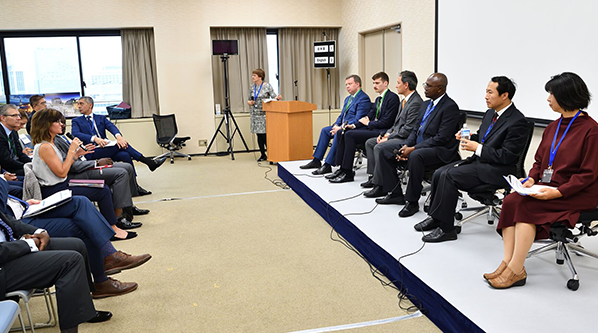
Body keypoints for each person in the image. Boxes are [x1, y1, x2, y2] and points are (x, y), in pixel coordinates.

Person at [487, 72, 598, 289]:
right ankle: (508, 263)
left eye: (552, 94)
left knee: (527, 206)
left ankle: (516, 270)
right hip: (548, 187)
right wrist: (530, 179)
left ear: (566, 96)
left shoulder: (591, 131)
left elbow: (588, 174)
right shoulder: (552, 127)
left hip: (578, 193)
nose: (548, 99)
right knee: (510, 201)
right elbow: (539, 161)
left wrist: (557, 192)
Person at [413, 76, 528, 243]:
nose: (486, 96)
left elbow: (507, 156)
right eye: (486, 92)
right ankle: (436, 218)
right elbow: (482, 137)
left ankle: (447, 229)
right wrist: (467, 137)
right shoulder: (491, 114)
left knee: (449, 176)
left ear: (505, 95)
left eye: (490, 92)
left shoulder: (517, 121)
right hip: (481, 163)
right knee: (439, 172)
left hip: (498, 170)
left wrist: (477, 148)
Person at [0, 176, 151, 299]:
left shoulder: (58, 143)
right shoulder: (43, 147)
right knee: (81, 225)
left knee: (81, 202)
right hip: (19, 223)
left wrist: (23, 203)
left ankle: (109, 257)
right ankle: (103, 275)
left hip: (24, 209)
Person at [30, 109, 137, 241]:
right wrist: (71, 151)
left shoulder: (50, 143)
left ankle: (111, 227)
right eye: (57, 122)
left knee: (102, 188)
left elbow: (62, 167)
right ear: (46, 125)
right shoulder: (44, 147)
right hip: (55, 189)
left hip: (62, 184)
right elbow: (62, 172)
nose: (61, 124)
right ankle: (112, 229)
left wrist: (76, 154)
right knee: (102, 191)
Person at [0, 213, 112, 333]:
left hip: (11, 249)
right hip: (4, 266)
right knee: (71, 261)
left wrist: (39, 232)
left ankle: (84, 309)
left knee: (77, 245)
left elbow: (8, 221)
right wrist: (29, 244)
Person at [374, 73, 460, 215]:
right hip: (419, 146)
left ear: (440, 89)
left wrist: (413, 149)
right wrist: (405, 146)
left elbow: (441, 138)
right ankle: (395, 193)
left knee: (416, 156)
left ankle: (412, 202)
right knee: (384, 151)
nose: (425, 88)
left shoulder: (450, 107)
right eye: (425, 85)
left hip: (439, 150)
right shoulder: (426, 104)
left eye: (429, 86)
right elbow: (415, 130)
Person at [54, 113, 149, 222]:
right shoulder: (52, 143)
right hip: (81, 170)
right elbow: (71, 166)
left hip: (85, 160)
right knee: (121, 171)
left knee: (127, 164)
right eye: (58, 122)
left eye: (62, 122)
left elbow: (72, 158)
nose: (62, 125)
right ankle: (119, 218)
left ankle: (128, 206)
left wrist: (78, 153)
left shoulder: (60, 138)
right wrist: (96, 163)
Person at [71, 96, 165, 194]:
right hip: (92, 151)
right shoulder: (76, 121)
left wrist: (118, 137)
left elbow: (112, 127)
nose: (79, 106)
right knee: (120, 145)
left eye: (81, 104)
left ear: (90, 105)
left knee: (125, 155)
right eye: (78, 104)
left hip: (106, 148)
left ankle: (134, 187)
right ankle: (147, 161)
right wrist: (94, 139)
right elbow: (76, 134)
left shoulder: (101, 118)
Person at [328, 72, 399, 183]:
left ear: (386, 83)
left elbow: (387, 122)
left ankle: (347, 172)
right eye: (373, 83)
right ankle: (342, 168)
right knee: (345, 131)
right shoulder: (378, 100)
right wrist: (353, 125)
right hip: (372, 128)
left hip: (381, 131)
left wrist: (369, 124)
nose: (374, 85)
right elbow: (367, 117)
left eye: (377, 83)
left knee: (350, 135)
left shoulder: (392, 98)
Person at [362, 70, 422, 193]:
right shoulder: (404, 101)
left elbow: (408, 129)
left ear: (406, 85)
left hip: (406, 139)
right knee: (370, 142)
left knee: (379, 147)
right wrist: (386, 134)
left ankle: (381, 186)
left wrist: (388, 138)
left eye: (398, 82)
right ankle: (374, 177)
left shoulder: (415, 103)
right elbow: (396, 124)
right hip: (397, 135)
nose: (395, 86)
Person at [300, 75, 371, 175]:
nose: (347, 86)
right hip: (342, 126)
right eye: (346, 84)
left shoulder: (363, 99)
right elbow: (341, 115)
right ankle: (316, 161)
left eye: (350, 84)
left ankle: (327, 165)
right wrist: (335, 125)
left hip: (353, 128)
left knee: (339, 133)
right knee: (325, 130)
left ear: (358, 84)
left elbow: (357, 120)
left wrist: (340, 128)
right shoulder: (348, 99)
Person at [246, 68, 282, 161]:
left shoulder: (267, 86)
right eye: (252, 75)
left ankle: (271, 153)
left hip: (265, 113)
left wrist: (278, 97)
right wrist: (249, 102)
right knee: (258, 134)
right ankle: (262, 154)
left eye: (254, 75)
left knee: (265, 134)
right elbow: (249, 99)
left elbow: (274, 96)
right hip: (255, 113)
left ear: (260, 77)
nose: (252, 77)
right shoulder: (252, 87)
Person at [0, 104, 31, 176]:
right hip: (6, 170)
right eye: (14, 115)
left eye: (18, 115)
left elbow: (19, 154)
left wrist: (32, 163)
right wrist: (27, 167)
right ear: (3, 118)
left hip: (15, 165)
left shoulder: (13, 132)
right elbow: (6, 161)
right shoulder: (1, 134)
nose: (18, 118)